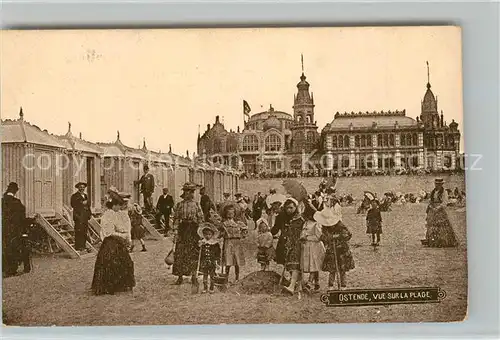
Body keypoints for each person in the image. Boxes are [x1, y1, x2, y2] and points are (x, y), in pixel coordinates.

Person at [91, 195, 135, 295]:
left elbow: (124, 227)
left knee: (125, 262)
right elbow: (109, 232)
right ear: (113, 205)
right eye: (119, 205)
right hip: (110, 242)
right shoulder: (107, 215)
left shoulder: (118, 214)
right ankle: (108, 286)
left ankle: (120, 285)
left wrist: (126, 237)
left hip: (119, 242)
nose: (120, 207)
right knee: (109, 263)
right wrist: (122, 235)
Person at [172, 182, 205, 286]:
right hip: (183, 229)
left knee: (193, 253)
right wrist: (176, 232)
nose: (190, 194)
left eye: (192, 192)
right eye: (188, 192)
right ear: (184, 193)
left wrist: (201, 233)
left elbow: (201, 219)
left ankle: (194, 276)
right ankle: (180, 276)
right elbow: (176, 219)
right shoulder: (179, 205)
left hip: (193, 230)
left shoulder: (196, 205)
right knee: (180, 252)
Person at [315, 208, 355, 289]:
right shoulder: (325, 227)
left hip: (342, 250)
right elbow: (323, 238)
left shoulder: (340, 225)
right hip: (332, 251)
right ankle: (331, 286)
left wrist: (336, 236)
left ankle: (343, 286)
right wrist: (326, 238)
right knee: (332, 270)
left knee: (342, 270)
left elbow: (348, 235)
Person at [276, 198, 305, 295]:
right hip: (288, 243)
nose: (289, 210)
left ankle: (293, 285)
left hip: (298, 244)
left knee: (295, 265)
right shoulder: (284, 216)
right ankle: (298, 285)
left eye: (291, 208)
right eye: (287, 208)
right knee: (291, 264)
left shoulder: (301, 219)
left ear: (296, 207)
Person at [2, 182, 30, 277]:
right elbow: (22, 218)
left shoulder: (2, 201)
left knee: (5, 248)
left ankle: (5, 268)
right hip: (15, 230)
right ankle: (12, 269)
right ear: (15, 191)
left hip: (4, 229)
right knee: (14, 249)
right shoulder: (17, 202)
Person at [424, 178, 458, 247]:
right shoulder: (433, 191)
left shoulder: (444, 192)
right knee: (431, 225)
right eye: (436, 184)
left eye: (439, 184)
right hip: (432, 209)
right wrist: (431, 206)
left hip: (440, 210)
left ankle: (442, 241)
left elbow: (445, 202)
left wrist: (437, 208)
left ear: (441, 184)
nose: (437, 185)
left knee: (441, 226)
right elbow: (430, 200)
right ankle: (433, 241)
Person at [300, 201, 325, 292]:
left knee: (314, 264)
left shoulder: (316, 224)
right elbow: (303, 232)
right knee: (313, 265)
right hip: (308, 247)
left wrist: (307, 237)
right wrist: (302, 237)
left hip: (315, 247)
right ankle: (317, 283)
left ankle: (310, 283)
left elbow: (318, 237)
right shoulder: (306, 223)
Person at [220, 204, 247, 282]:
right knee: (228, 260)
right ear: (225, 214)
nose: (230, 215)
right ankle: (226, 277)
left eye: (232, 213)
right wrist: (222, 233)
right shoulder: (224, 224)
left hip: (236, 243)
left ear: (235, 214)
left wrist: (242, 234)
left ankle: (237, 278)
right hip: (228, 242)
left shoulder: (238, 223)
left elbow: (245, 230)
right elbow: (220, 233)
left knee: (237, 261)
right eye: (228, 213)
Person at [197, 223, 221, 294]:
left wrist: (217, 261)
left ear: (212, 235)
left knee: (212, 275)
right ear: (203, 235)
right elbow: (199, 253)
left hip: (212, 262)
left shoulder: (215, 244)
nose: (207, 236)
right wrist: (199, 246)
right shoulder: (202, 243)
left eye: (209, 234)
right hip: (204, 262)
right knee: (205, 275)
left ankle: (211, 287)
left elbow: (218, 253)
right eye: (205, 234)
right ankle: (205, 288)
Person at [70, 182, 92, 252]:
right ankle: (78, 247)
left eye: (83, 187)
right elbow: (73, 205)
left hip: (85, 216)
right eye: (80, 187)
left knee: (84, 231)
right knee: (79, 231)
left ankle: (83, 246)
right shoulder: (74, 196)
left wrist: (89, 214)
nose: (82, 188)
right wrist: (81, 203)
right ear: (78, 188)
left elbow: (88, 206)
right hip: (78, 216)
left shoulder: (85, 195)